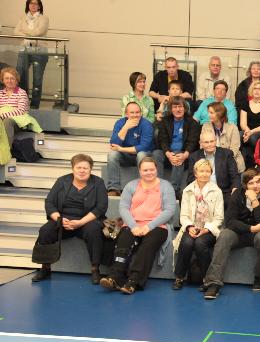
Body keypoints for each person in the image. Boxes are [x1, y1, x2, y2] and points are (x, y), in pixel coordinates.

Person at [100, 157, 176, 294]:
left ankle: (133, 282)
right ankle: (114, 277)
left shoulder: (166, 186)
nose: (149, 172)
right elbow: (123, 208)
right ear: (140, 171)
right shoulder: (131, 185)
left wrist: (149, 227)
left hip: (157, 226)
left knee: (147, 246)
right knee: (123, 241)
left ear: (156, 169)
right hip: (133, 224)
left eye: (152, 169)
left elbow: (169, 211)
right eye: (145, 170)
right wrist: (133, 226)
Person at [31, 154, 107, 284]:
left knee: (94, 230)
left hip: (86, 220)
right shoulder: (62, 181)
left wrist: (80, 222)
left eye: (85, 168)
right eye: (78, 167)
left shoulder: (98, 183)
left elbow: (101, 207)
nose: (82, 171)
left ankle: (95, 269)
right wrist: (59, 219)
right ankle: (45, 268)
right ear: (73, 169)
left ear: (91, 169)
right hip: (63, 220)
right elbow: (49, 202)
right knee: (45, 230)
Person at [202, 168, 260, 299]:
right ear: (245, 185)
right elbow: (230, 221)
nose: (255, 186)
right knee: (224, 235)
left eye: (258, 181)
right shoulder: (237, 194)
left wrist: (254, 201)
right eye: (251, 183)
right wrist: (251, 228)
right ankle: (213, 282)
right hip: (241, 232)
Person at [172, 159, 224, 290]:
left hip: (209, 229)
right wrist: (189, 227)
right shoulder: (187, 190)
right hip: (192, 227)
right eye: (201, 171)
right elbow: (183, 216)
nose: (204, 174)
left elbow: (219, 218)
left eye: (207, 171)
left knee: (200, 243)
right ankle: (179, 277)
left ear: (211, 173)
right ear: (195, 173)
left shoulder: (217, 191)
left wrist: (206, 229)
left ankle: (207, 279)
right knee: (187, 242)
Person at [153, 96, 200, 196]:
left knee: (178, 155)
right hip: (168, 154)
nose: (178, 109)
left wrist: (185, 155)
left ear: (185, 108)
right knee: (156, 154)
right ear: (171, 109)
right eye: (175, 107)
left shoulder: (192, 122)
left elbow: (192, 142)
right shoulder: (165, 121)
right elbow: (163, 140)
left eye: (180, 106)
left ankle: (174, 190)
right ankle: (158, 187)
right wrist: (168, 154)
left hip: (184, 155)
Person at [106, 102, 154, 196]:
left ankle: (143, 188)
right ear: (126, 114)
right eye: (132, 112)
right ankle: (114, 188)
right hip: (126, 156)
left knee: (141, 154)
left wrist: (121, 149)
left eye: (137, 112)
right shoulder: (120, 123)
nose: (135, 115)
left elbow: (143, 146)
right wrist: (126, 127)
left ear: (141, 113)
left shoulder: (146, 124)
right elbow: (114, 144)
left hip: (143, 156)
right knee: (112, 155)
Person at [187, 130, 239, 208]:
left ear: (216, 141)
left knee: (233, 199)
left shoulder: (227, 154)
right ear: (201, 143)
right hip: (202, 192)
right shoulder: (194, 157)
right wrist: (198, 191)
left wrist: (235, 189)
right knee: (185, 196)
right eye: (206, 142)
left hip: (223, 192)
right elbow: (191, 179)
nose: (209, 144)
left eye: (212, 141)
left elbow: (234, 176)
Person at [14, 0, 49, 109]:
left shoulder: (44, 18)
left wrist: (24, 32)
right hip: (24, 50)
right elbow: (16, 32)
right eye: (31, 3)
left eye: (35, 3)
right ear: (28, 5)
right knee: (20, 77)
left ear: (39, 6)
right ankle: (22, 103)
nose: (33, 5)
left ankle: (34, 106)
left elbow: (39, 31)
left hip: (39, 51)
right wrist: (30, 34)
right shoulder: (22, 17)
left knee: (37, 80)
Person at [0, 67, 41, 147]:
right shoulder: (0, 93)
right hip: (1, 119)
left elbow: (20, 111)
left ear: (16, 80)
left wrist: (2, 116)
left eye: (12, 78)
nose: (9, 81)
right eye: (7, 78)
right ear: (3, 80)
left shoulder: (21, 93)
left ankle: (6, 150)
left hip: (18, 121)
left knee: (7, 121)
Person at [200, 101, 244, 173]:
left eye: (211, 113)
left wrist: (220, 161)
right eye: (208, 112)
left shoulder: (232, 128)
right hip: (211, 161)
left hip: (231, 162)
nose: (208, 115)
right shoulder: (205, 126)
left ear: (219, 113)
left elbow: (234, 150)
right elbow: (202, 146)